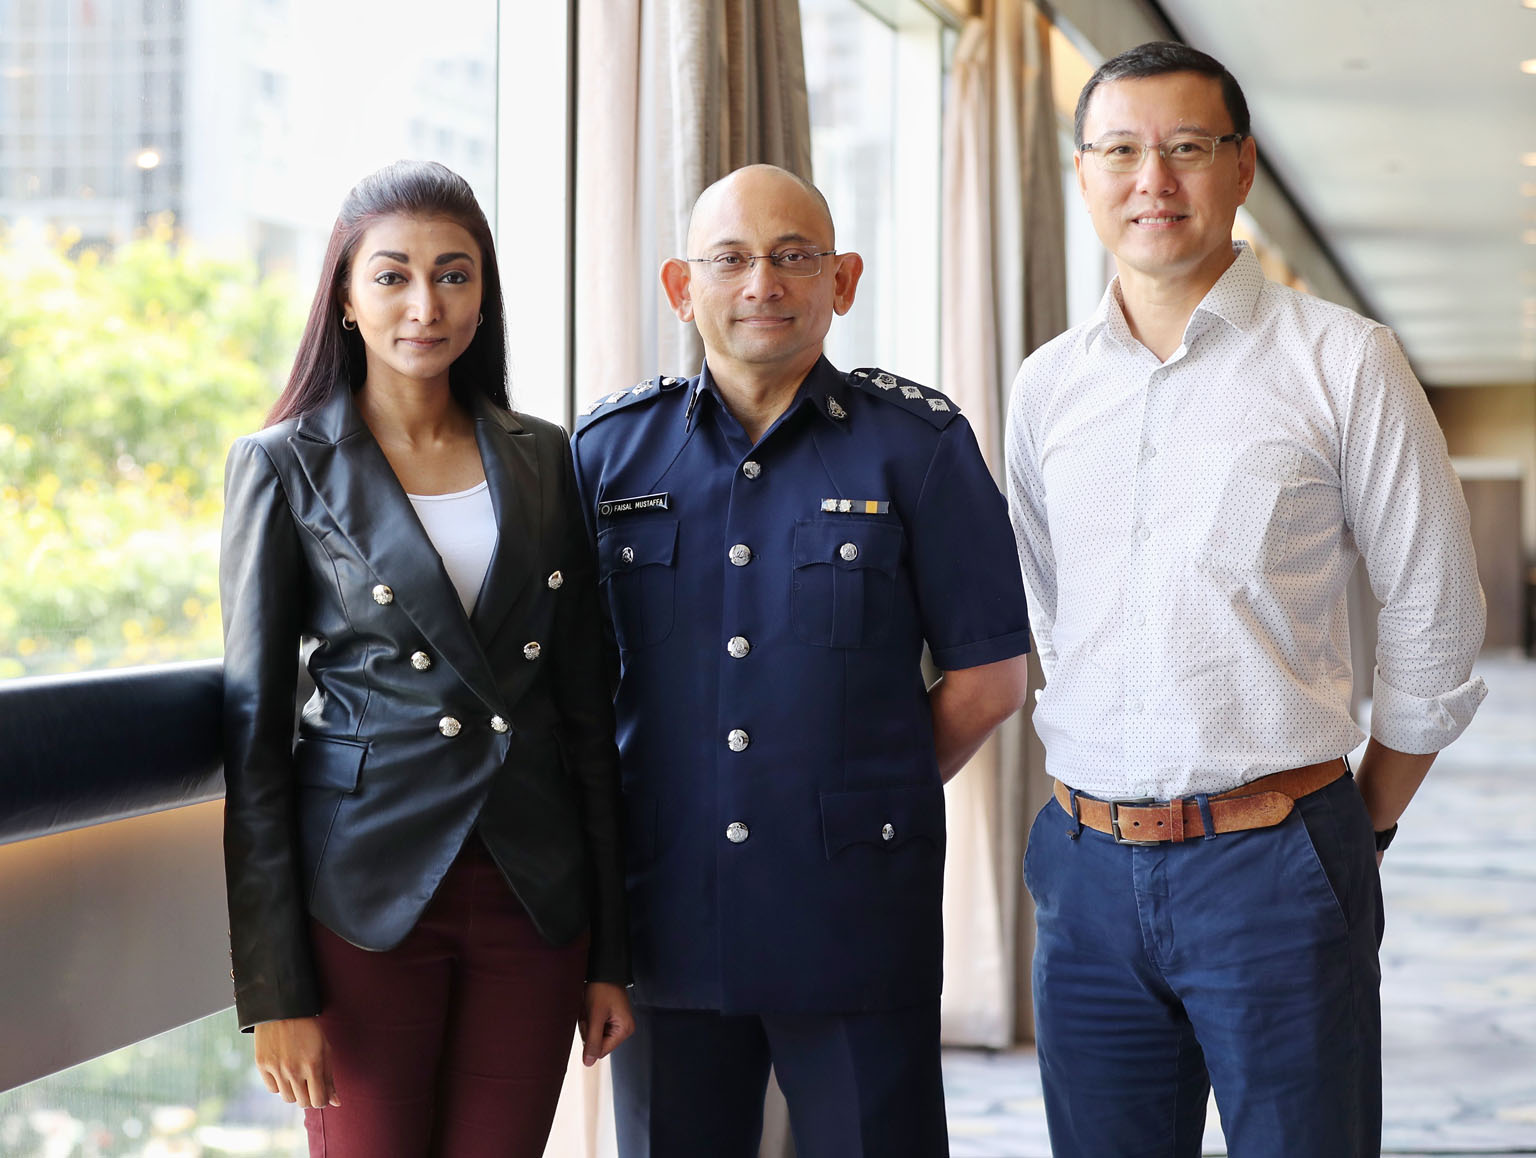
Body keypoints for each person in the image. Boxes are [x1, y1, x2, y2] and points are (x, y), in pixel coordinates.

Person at [1005, 41, 1488, 1158]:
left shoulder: (1345, 360)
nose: (1153, 182)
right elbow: (1049, 610)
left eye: (1186, 149)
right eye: (1120, 151)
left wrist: (1357, 825)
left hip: (1277, 859)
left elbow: (1435, 619)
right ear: (1082, 172)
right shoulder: (1046, 384)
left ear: (1243, 168)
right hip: (1084, 871)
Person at [570, 163, 1032, 1158]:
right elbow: (568, 685)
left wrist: (865, 786)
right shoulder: (608, 455)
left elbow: (991, 679)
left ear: (844, 280)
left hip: (855, 916)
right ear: (679, 287)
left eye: (793, 258)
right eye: (729, 260)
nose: (761, 286)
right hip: (666, 916)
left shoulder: (919, 447)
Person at [219, 159, 633, 1158]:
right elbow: (255, 737)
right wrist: (275, 990)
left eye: (454, 274)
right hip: (363, 894)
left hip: (532, 895)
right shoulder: (281, 464)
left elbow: (587, 717)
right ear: (347, 300)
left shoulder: (545, 457)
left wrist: (610, 951)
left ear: (484, 295)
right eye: (393, 275)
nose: (425, 303)